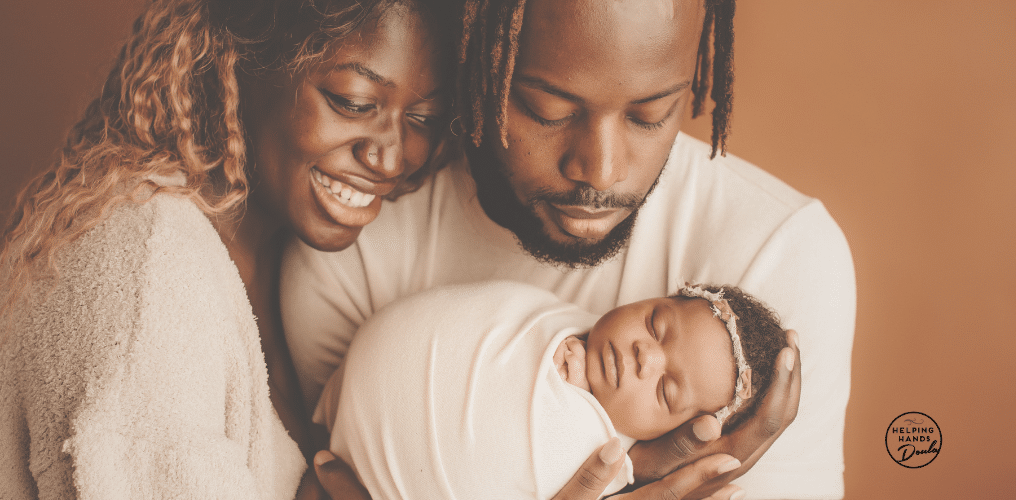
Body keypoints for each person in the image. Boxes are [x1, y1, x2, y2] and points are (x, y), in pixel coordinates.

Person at [282, 0, 854, 498]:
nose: (600, 171)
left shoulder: (775, 255)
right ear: (474, 58)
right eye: (548, 109)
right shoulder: (362, 225)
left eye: (650, 116)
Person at [0, 0, 456, 498]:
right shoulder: (149, 273)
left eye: (423, 120)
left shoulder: (282, 266)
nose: (389, 158)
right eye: (354, 103)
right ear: (238, 58)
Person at [316, 281, 787, 499]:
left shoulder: (604, 469)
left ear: (675, 434)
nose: (647, 356)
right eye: (656, 323)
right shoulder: (557, 316)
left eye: (666, 391)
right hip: (345, 395)